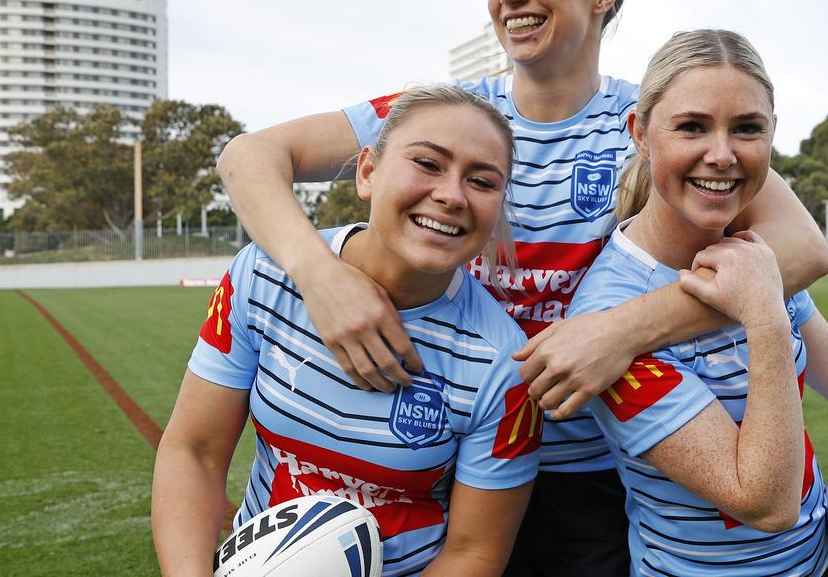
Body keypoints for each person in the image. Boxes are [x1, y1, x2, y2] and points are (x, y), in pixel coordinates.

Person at [214, 0, 828, 575]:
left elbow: (802, 249)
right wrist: (318, 273)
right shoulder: (448, 112)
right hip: (450, 456)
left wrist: (622, 330)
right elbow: (249, 155)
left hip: (588, 477)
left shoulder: (651, 122)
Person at [567, 29, 828, 576]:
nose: (721, 155)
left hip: (822, 559)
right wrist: (763, 312)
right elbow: (764, 502)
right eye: (692, 127)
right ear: (641, 135)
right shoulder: (609, 313)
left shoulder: (752, 250)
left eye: (747, 129)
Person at [152, 86, 542, 577]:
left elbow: (474, 552)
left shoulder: (504, 364)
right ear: (367, 172)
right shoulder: (264, 275)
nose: (451, 195)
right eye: (427, 163)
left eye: (482, 181)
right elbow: (195, 451)